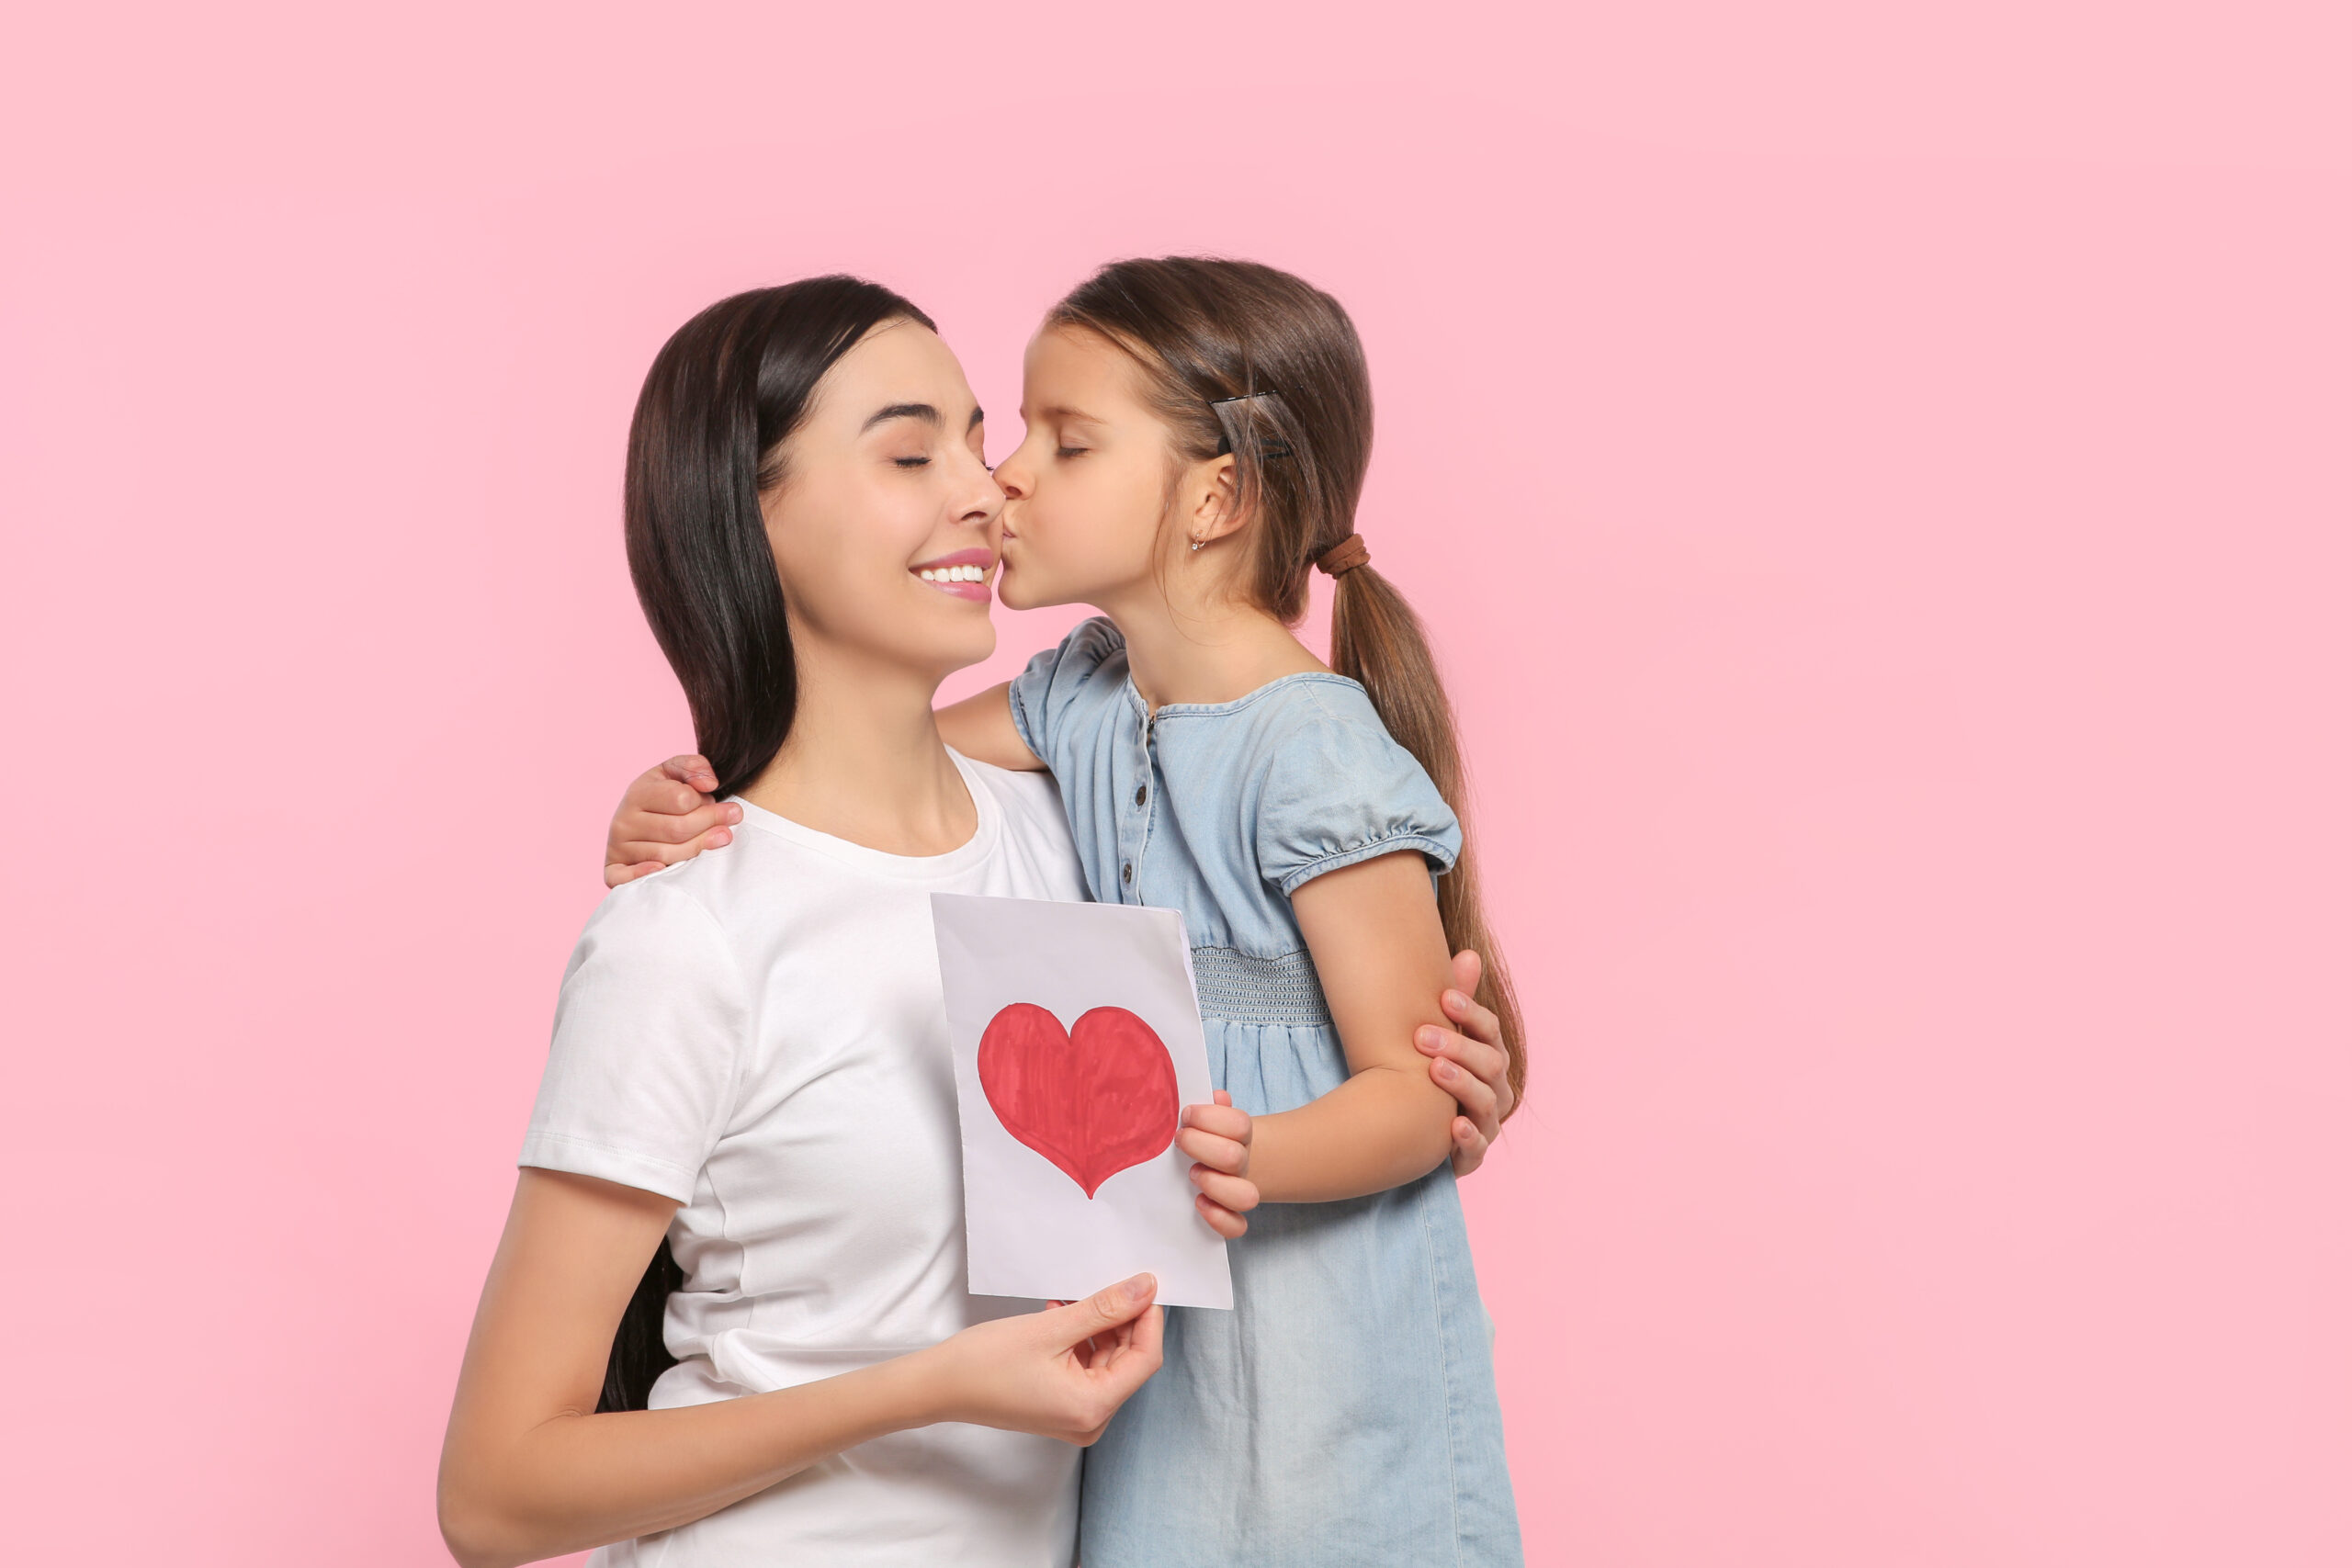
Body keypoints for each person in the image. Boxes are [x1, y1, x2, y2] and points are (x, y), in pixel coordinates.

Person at [443, 275, 1517, 1568]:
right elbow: (493, 1498)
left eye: (991, 435)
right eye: (915, 450)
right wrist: (934, 1386)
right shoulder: (691, 934)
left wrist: (1427, 1095)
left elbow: (1325, 1044)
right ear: (749, 514)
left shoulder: (1074, 837)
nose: (986, 482)